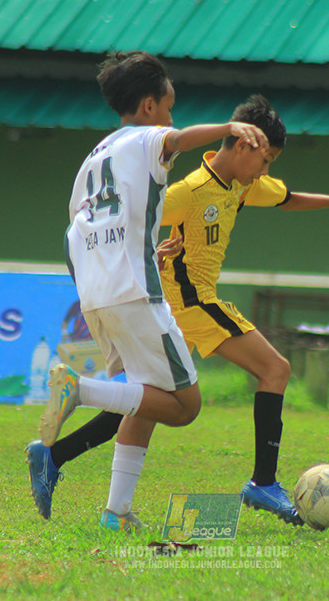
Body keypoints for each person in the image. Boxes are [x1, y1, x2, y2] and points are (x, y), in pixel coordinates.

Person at [29, 93, 329, 526]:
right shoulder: (188, 192)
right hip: (189, 302)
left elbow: (286, 198)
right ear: (245, 146)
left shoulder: (244, 186)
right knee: (275, 369)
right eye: (267, 160)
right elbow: (132, 221)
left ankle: (95, 495)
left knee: (142, 407)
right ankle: (263, 483)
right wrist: (154, 252)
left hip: (177, 310)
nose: (267, 171)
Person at [33, 51, 269, 533]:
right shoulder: (146, 138)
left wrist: (139, 258)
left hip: (97, 291)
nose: (171, 117)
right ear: (146, 107)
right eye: (168, 106)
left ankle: (115, 513)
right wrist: (231, 127)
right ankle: (79, 389)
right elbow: (177, 139)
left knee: (146, 395)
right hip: (136, 293)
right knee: (185, 406)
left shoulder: (95, 156)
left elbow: (76, 233)